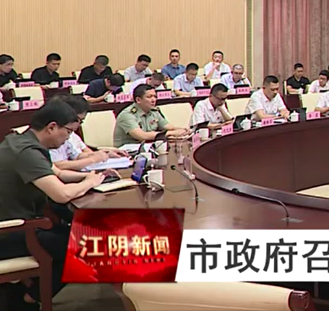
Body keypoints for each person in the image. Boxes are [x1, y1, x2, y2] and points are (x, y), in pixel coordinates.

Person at [0, 100, 112, 309]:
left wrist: (91, 177)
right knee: (93, 246)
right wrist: (89, 183)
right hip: (10, 233)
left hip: (20, 225)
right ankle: (31, 296)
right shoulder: (27, 152)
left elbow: (57, 174)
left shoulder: (19, 141)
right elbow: (61, 194)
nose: (69, 138)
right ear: (51, 127)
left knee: (75, 234)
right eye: (68, 132)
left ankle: (29, 289)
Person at [48, 95, 128, 171]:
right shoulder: (52, 137)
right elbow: (58, 166)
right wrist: (93, 159)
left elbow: (77, 156)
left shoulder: (70, 135)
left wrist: (104, 154)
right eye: (78, 120)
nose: (79, 125)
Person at [113, 85, 188, 147]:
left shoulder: (153, 111)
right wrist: (171, 133)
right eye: (149, 97)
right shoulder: (127, 115)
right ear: (138, 100)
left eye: (155, 96)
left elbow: (169, 127)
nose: (153, 100)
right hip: (127, 151)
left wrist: (185, 130)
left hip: (148, 148)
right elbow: (142, 136)